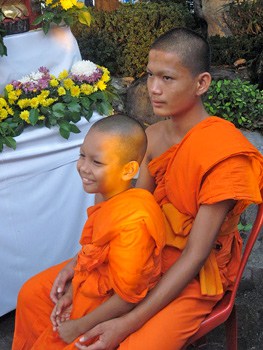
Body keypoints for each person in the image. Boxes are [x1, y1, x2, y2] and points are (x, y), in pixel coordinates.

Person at [13, 27, 263, 350]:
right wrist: (78, 264)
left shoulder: (222, 151)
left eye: (167, 79)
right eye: (150, 76)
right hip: (142, 254)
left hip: (194, 276)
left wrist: (126, 322)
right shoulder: (154, 137)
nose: (154, 89)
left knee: (133, 344)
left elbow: (195, 256)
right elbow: (132, 210)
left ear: (201, 83)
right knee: (35, 295)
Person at [12, 114, 166, 349]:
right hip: (90, 282)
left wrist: (79, 326)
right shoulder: (108, 195)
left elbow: (127, 298)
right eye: (82, 155)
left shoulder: (134, 223)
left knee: (52, 338)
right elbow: (91, 253)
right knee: (31, 296)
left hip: (105, 304)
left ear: (128, 170)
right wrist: (71, 291)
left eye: (97, 162)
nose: (83, 167)